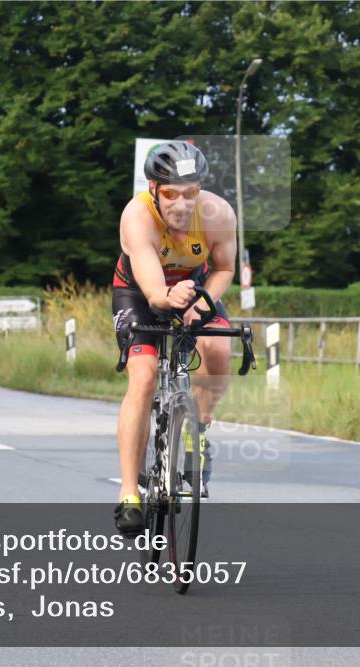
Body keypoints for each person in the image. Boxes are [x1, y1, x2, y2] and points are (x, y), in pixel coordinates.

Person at [111, 141, 237, 535]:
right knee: (145, 376)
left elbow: (224, 268)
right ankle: (130, 492)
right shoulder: (137, 216)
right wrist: (167, 297)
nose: (182, 204)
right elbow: (153, 291)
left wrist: (204, 302)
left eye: (191, 192)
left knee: (218, 348)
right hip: (140, 292)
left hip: (193, 289)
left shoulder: (218, 215)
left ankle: (197, 428)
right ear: (153, 190)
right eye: (170, 194)